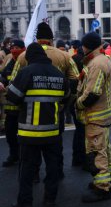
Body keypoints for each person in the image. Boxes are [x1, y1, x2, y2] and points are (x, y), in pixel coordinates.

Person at [11, 22, 79, 180]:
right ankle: (57, 173)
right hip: (55, 109)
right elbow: (76, 79)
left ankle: (33, 175)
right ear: (51, 39)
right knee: (55, 147)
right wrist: (64, 101)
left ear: (37, 38)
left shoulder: (23, 56)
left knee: (29, 150)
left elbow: (14, 81)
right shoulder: (63, 55)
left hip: (28, 113)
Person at [8, 43, 69, 207]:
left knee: (27, 170)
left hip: (29, 133)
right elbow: (66, 98)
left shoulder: (26, 72)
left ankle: (25, 202)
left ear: (30, 57)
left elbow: (12, 97)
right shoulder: (58, 74)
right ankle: (50, 200)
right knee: (53, 168)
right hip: (53, 132)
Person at [76, 32, 111, 203]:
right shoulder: (102, 59)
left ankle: (102, 188)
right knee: (105, 150)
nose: (81, 49)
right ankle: (109, 180)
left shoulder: (97, 63)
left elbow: (92, 93)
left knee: (96, 152)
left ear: (87, 46)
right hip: (103, 115)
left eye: (83, 46)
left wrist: (77, 104)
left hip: (95, 116)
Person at [1, 39, 25, 167]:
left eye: (16, 47)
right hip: (10, 108)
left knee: (23, 136)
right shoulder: (10, 63)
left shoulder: (26, 63)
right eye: (12, 47)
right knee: (10, 134)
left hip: (23, 108)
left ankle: (23, 157)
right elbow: (3, 76)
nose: (13, 50)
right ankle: (13, 155)